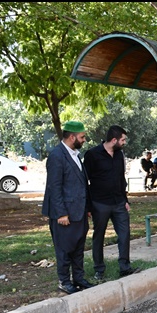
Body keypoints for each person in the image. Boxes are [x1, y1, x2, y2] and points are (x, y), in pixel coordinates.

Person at [42, 120, 95, 294]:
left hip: (78, 212)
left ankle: (78, 279)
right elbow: (54, 187)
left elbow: (80, 185)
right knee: (64, 249)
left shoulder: (75, 154)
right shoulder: (57, 156)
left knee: (78, 248)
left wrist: (86, 208)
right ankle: (64, 281)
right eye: (82, 136)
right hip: (65, 215)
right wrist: (61, 213)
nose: (84, 139)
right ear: (72, 137)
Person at [83, 125, 141, 280]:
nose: (124, 143)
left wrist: (125, 199)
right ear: (114, 140)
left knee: (124, 234)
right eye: (122, 140)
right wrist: (88, 206)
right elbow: (84, 181)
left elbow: (121, 179)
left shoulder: (119, 154)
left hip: (118, 203)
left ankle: (124, 267)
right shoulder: (92, 155)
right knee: (99, 235)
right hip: (99, 203)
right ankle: (99, 269)